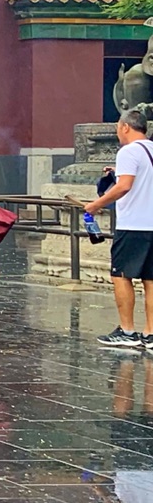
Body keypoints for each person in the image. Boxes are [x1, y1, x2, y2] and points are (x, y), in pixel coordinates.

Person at [86, 107, 153, 351]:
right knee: (150, 279)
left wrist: (95, 204)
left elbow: (125, 186)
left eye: (118, 128)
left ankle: (127, 330)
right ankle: (150, 333)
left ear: (125, 127)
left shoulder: (128, 151)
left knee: (121, 275)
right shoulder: (150, 149)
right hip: (152, 224)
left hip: (133, 224)